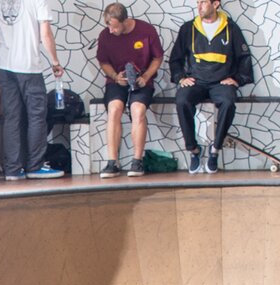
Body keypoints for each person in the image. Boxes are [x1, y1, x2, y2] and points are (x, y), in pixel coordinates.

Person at [170, 0, 253, 174]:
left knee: (228, 102)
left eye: (203, 2)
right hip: (196, 82)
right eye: (198, 2)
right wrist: (180, 78)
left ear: (216, 4)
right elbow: (175, 59)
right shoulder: (188, 28)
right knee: (182, 100)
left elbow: (244, 57)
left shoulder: (231, 28)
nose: (199, 6)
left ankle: (215, 149)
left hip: (221, 82)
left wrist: (237, 80)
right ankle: (194, 150)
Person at [0, 0, 66, 181]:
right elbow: (46, 34)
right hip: (28, 67)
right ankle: (35, 166)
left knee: (12, 118)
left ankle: (13, 170)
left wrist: (12, 47)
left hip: (4, 66)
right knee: (36, 116)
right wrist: (55, 62)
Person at [96, 5, 164, 177]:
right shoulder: (105, 35)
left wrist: (146, 76)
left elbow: (158, 57)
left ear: (125, 21)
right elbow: (103, 61)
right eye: (108, 26)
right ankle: (112, 162)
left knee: (138, 110)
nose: (111, 30)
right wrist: (114, 76)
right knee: (114, 109)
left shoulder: (146, 30)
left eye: (114, 27)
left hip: (141, 80)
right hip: (117, 80)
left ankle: (137, 161)